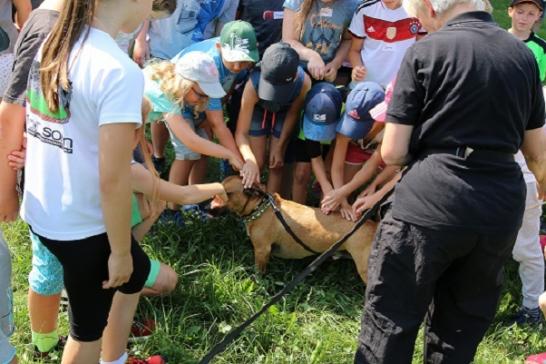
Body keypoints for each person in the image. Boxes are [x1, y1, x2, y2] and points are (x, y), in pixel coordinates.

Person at [354, 0, 546, 362]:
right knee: (459, 330)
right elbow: (537, 154)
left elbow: (393, 151)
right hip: (498, 207)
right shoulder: (522, 56)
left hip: (428, 203)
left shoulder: (425, 50)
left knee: (390, 321)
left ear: (431, 7)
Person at [21, 0, 156, 363]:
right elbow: (113, 179)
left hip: (43, 210)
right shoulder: (119, 70)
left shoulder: (56, 43)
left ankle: (115, 357)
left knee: (137, 275)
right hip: (82, 227)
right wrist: (121, 252)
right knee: (85, 333)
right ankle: (103, 354)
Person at [143, 51, 243, 215]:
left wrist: (140, 141)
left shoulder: (167, 83)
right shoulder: (163, 95)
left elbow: (136, 117)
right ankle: (167, 213)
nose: (203, 101)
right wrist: (229, 154)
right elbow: (192, 141)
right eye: (201, 95)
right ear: (186, 83)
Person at [235, 42, 311, 194]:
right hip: (258, 109)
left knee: (276, 163)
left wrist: (279, 145)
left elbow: (293, 113)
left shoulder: (304, 83)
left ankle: (272, 208)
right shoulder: (252, 85)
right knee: (257, 161)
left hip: (285, 111)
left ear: (295, 76)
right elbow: (241, 133)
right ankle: (247, 204)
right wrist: (249, 161)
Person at [320, 81, 385, 221]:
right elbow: (337, 168)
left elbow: (371, 166)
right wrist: (342, 201)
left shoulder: (391, 124)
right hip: (356, 148)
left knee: (388, 186)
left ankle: (382, 217)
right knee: (337, 194)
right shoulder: (348, 119)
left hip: (385, 155)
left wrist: (342, 192)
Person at [348, 0, 424, 88]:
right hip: (367, 87)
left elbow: (422, 51)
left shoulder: (418, 10)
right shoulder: (364, 10)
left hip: (401, 88)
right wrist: (357, 68)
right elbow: (354, 50)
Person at [282, 0, 359, 83]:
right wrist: (312, 56)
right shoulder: (296, 2)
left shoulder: (351, 5)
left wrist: (335, 64)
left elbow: (347, 40)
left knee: (325, 94)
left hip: (325, 72)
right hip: (296, 69)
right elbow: (289, 40)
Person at [291, 82, 342, 202]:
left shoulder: (345, 110)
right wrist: (324, 184)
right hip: (309, 135)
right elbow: (315, 157)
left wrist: (326, 183)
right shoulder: (310, 109)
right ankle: (297, 212)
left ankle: (326, 213)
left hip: (336, 141)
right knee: (301, 174)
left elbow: (337, 150)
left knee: (329, 174)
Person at [508, 0, 546, 82]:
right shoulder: (496, 40)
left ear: (538, 15)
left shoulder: (543, 47)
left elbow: (539, 79)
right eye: (520, 12)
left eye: (531, 14)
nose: (524, 18)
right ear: (510, 11)